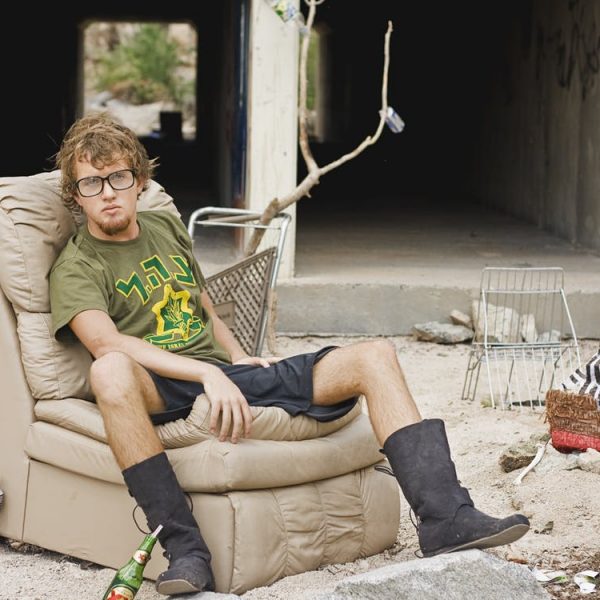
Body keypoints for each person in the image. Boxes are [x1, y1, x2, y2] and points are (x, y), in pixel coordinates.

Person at [49, 113, 529, 596]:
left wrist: (237, 360)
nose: (107, 192)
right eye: (91, 183)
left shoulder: (164, 228)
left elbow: (205, 309)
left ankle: (446, 517)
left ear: (139, 180)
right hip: (163, 385)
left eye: (118, 177)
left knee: (375, 355)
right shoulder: (76, 264)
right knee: (109, 372)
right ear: (75, 195)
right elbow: (107, 344)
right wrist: (206, 375)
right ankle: (186, 550)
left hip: (224, 374)